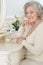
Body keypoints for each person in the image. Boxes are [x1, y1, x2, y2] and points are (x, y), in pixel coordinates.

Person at [19, 1, 43, 65]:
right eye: (27, 13)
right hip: (27, 59)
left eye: (31, 12)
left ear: (38, 12)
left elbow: (37, 51)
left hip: (37, 61)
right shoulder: (31, 24)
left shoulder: (41, 27)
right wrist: (22, 25)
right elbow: (18, 38)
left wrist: (23, 41)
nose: (28, 15)